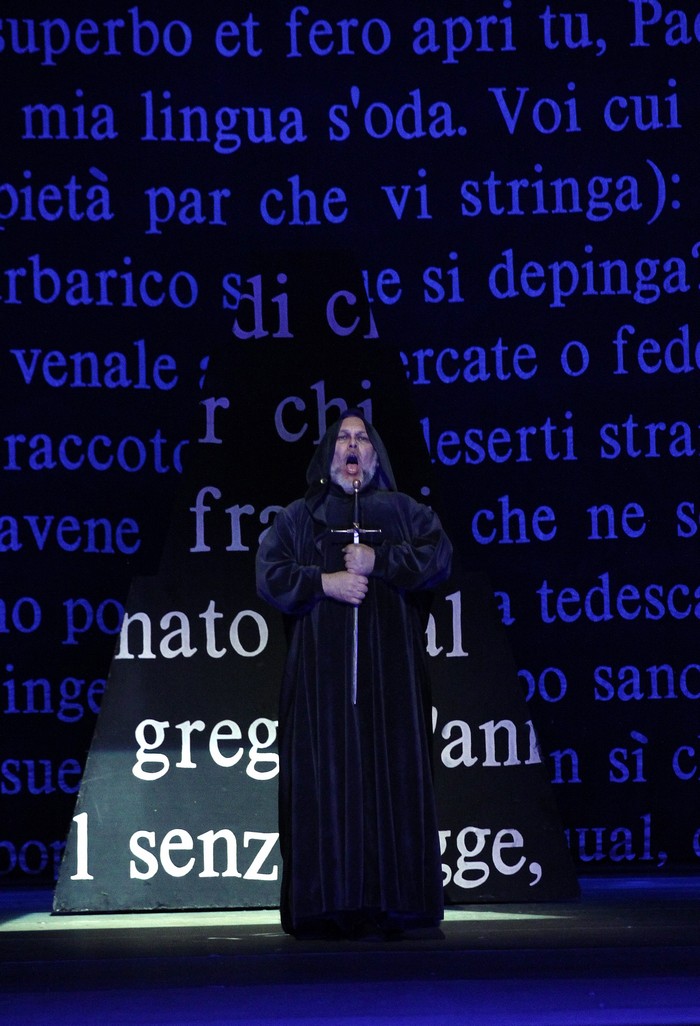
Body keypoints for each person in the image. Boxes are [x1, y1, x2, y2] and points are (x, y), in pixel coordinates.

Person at [256, 409, 452, 939]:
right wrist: (327, 583)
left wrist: (378, 560)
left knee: (392, 781)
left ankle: (398, 902)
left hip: (392, 683)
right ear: (328, 454)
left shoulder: (405, 512)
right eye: (342, 437)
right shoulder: (301, 517)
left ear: (374, 455)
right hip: (320, 687)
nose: (351, 445)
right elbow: (270, 574)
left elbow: (438, 557)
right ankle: (328, 904)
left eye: (362, 438)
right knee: (326, 782)